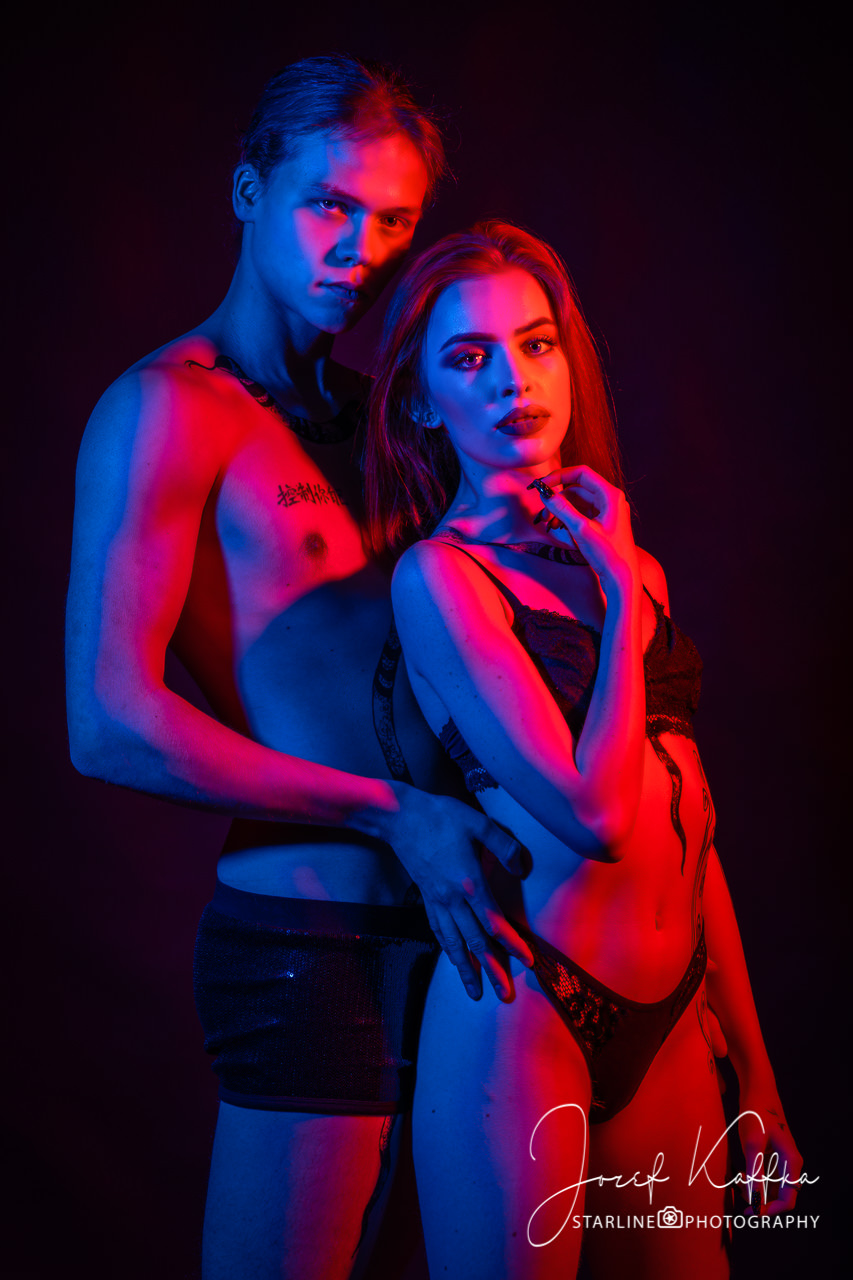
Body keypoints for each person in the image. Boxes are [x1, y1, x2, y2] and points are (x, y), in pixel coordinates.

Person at [65, 58, 533, 1280]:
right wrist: (394, 812)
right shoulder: (170, 409)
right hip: (313, 939)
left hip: (471, 926)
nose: (361, 250)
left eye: (394, 220)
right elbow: (107, 720)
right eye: (330, 205)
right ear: (247, 191)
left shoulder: (393, 414)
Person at [366, 221, 803, 1279]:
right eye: (469, 357)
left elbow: (691, 828)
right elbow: (597, 814)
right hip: (529, 1010)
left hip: (673, 1012)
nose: (513, 381)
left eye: (535, 344)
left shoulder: (634, 565)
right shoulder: (441, 579)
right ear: (421, 400)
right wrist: (611, 592)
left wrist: (759, 1079)